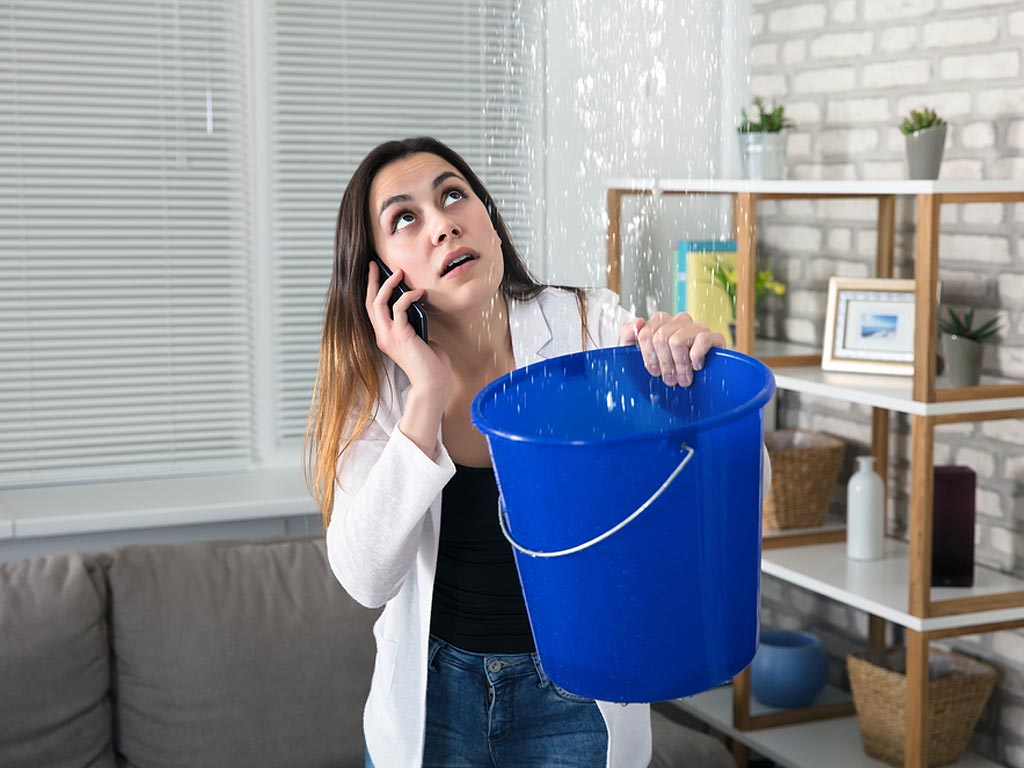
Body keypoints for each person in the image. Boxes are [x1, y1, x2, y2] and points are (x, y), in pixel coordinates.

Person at [306, 137, 726, 768]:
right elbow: (367, 580)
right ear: (380, 276)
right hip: (433, 699)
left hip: (577, 691)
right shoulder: (377, 387)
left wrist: (700, 389)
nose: (442, 223)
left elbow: (734, 490)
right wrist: (426, 393)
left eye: (453, 196)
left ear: (492, 226)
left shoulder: (592, 331)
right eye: (405, 218)